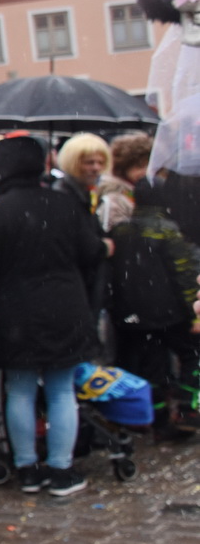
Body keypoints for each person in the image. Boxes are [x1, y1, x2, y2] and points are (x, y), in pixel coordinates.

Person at [0, 136, 106, 497]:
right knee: (62, 390)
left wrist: (1, 299)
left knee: (20, 390)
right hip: (65, 306)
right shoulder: (65, 204)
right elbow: (90, 253)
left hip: (16, 312)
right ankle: (61, 469)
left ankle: (27, 467)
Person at [106, 176, 200, 437]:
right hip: (169, 312)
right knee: (193, 354)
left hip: (134, 314)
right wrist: (194, 313)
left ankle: (159, 421)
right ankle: (187, 408)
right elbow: (183, 274)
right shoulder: (167, 230)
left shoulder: (120, 231)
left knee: (152, 365)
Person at [99, 133, 154, 233]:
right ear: (124, 166)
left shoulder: (146, 191)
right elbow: (116, 232)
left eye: (148, 166)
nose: (145, 172)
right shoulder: (115, 198)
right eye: (139, 166)